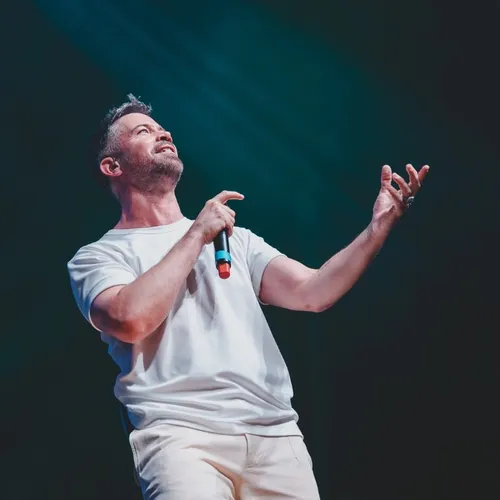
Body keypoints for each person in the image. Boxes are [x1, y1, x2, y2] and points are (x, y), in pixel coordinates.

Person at [67, 94, 429, 500]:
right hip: (180, 436)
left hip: (275, 434)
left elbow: (313, 292)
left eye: (162, 129)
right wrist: (196, 234)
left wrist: (378, 227)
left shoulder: (236, 240)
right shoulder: (99, 256)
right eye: (143, 131)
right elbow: (129, 319)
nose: (163, 134)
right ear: (112, 166)